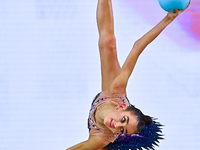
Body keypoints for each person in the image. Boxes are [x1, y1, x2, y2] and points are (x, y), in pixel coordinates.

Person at [67, 0, 189, 150]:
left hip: (103, 138)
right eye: (123, 120)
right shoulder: (117, 91)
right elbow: (137, 47)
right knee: (108, 43)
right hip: (109, 97)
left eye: (122, 130)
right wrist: (168, 19)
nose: (117, 125)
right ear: (122, 107)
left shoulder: (102, 138)